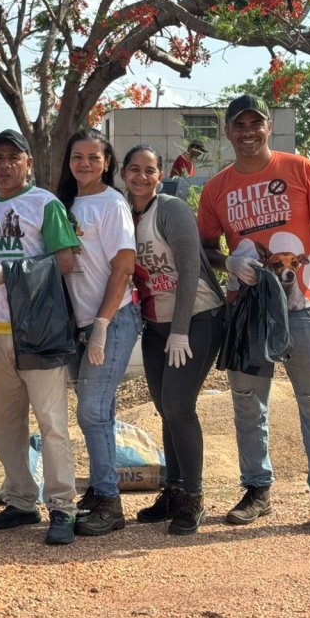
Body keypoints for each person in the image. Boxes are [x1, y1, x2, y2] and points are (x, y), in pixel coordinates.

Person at [197, 93, 310, 539]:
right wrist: (227, 261)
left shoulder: (299, 169)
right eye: (238, 125)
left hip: (302, 309)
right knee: (249, 405)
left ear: (268, 126)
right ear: (227, 131)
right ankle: (256, 490)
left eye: (255, 124)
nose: (248, 133)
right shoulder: (216, 188)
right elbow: (204, 245)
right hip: (247, 313)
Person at [0, 128, 81, 546]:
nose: (4, 165)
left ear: (27, 163)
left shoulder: (45, 204)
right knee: (4, 423)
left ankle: (62, 507)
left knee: (52, 424)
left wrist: (11, 274)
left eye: (12, 158)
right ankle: (20, 499)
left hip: (38, 331)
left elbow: (67, 262)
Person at [122, 145, 225, 535]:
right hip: (155, 324)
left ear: (160, 175)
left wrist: (180, 329)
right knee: (165, 407)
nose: (142, 177)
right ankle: (173, 489)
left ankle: (193, 498)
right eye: (134, 169)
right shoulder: (124, 214)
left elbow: (189, 269)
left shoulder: (171, 210)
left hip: (196, 317)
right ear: (123, 175)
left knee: (180, 406)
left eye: (150, 170)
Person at [55, 129, 140, 538]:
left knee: (93, 411)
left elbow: (123, 267)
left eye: (93, 156)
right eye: (77, 156)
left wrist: (104, 323)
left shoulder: (112, 204)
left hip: (113, 319)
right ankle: (99, 490)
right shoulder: (65, 204)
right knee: (93, 412)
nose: (84, 163)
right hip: (78, 324)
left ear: (107, 162)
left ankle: (109, 501)